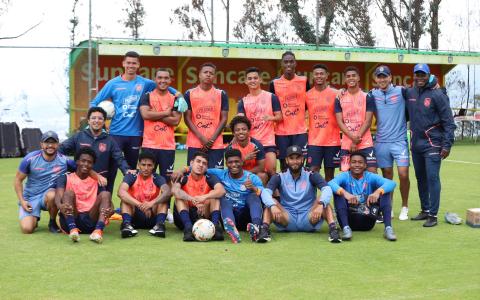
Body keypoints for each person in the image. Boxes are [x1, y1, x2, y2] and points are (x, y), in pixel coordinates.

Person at [89, 51, 186, 191]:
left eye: (134, 63)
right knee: (110, 171)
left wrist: (178, 94)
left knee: (132, 174)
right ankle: (105, 206)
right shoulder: (113, 84)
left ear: (138, 65)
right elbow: (94, 103)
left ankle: (129, 207)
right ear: (123, 64)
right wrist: (101, 125)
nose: (131, 65)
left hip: (135, 135)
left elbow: (163, 84)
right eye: (128, 62)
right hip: (116, 133)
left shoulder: (144, 83)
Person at [172, 148, 276, 243]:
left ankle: (256, 226)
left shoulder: (252, 178)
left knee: (251, 196)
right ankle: (231, 228)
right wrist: (183, 169)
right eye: (230, 162)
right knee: (220, 198)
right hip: (229, 214)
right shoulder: (220, 174)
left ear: (242, 162)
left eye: (237, 161)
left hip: (247, 215)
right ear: (226, 164)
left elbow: (263, 193)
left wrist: (255, 189)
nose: (234, 165)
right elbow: (195, 171)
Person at [404, 63, 456, 227]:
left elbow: (449, 122)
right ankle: (425, 210)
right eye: (417, 74)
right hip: (416, 144)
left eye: (423, 75)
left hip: (433, 143)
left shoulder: (437, 94)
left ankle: (433, 215)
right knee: (421, 178)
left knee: (432, 178)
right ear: (414, 76)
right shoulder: (410, 92)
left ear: (428, 75)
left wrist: (447, 145)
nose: (420, 78)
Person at [263, 145, 341, 243]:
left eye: (297, 158)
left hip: (309, 217)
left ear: (302, 160)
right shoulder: (279, 176)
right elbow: (266, 192)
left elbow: (327, 189)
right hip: (287, 218)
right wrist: (272, 205)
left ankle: (333, 231)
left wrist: (321, 204)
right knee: (270, 203)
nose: (295, 162)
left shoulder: (311, 174)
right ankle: (264, 230)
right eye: (291, 158)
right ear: (286, 160)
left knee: (323, 201)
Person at [59, 107, 133, 193]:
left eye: (100, 118)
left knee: (105, 203)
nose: (96, 121)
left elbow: (119, 157)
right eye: (93, 118)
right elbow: (60, 150)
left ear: (104, 121)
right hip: (80, 181)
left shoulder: (110, 140)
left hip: (100, 182)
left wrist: (126, 170)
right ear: (88, 121)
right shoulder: (79, 136)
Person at [369, 65, 410, 221]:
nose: (382, 79)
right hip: (381, 141)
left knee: (403, 174)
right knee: (386, 176)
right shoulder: (373, 94)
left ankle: (405, 206)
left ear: (390, 77)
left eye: (384, 76)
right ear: (375, 79)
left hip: (399, 141)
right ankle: (389, 206)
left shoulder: (401, 91)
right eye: (379, 77)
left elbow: (418, 96)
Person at [14, 131, 74, 234]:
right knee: (27, 229)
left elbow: (83, 169)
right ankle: (34, 218)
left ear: (58, 144)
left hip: (49, 195)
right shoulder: (30, 159)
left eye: (53, 142)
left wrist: (97, 175)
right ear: (41, 144)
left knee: (52, 194)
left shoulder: (65, 160)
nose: (50, 145)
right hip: (30, 197)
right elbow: (17, 180)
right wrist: (22, 201)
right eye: (47, 142)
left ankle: (52, 222)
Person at [328, 152, 397, 241]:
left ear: (365, 165)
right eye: (354, 162)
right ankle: (346, 229)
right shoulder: (344, 176)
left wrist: (377, 192)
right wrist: (345, 194)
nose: (357, 165)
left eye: (360, 162)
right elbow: (330, 183)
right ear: (349, 164)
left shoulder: (370, 176)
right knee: (339, 194)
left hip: (367, 221)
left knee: (385, 192)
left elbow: (391, 183)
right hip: (349, 220)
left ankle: (388, 228)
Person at [55, 148, 113, 243]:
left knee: (106, 194)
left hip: (91, 219)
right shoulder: (65, 177)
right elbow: (58, 196)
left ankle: (98, 231)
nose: (86, 164)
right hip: (72, 217)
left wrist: (111, 210)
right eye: (83, 161)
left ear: (93, 165)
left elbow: (107, 201)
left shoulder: (97, 181)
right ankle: (73, 231)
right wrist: (60, 206)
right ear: (77, 161)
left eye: (89, 162)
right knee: (68, 193)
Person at [237, 67, 282, 176]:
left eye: (255, 78)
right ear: (246, 81)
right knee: (255, 174)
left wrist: (270, 118)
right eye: (250, 78)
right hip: (252, 143)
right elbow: (240, 122)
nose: (253, 81)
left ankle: (273, 193)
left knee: (271, 171)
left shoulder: (271, 97)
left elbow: (280, 117)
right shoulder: (243, 102)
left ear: (261, 80)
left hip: (268, 142)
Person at [171, 151, 226, 241]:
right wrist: (192, 199)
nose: (201, 165)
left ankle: (215, 227)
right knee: (179, 197)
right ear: (191, 163)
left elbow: (222, 191)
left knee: (215, 194)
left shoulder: (210, 177)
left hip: (204, 213)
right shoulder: (183, 176)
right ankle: (188, 228)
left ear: (207, 167)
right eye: (198, 161)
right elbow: (175, 190)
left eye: (204, 163)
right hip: (185, 214)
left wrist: (204, 198)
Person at [269, 51, 310, 171]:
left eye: (291, 61)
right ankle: (285, 189)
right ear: (281, 64)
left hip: (300, 131)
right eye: (285, 61)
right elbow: (272, 106)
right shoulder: (274, 83)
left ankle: (301, 189)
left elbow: (308, 102)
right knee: (284, 164)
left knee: (301, 163)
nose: (288, 64)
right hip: (281, 131)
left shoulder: (304, 80)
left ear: (295, 63)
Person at [117, 152, 173, 238]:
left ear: (154, 166)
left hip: (152, 215)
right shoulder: (132, 176)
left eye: (149, 165)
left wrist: (151, 203)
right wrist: (140, 205)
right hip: (135, 216)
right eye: (143, 165)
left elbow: (168, 192)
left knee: (164, 199)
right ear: (139, 165)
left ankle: (159, 225)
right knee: (124, 200)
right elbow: (120, 192)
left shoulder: (158, 178)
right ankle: (127, 225)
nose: (146, 168)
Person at [139, 68, 182, 180]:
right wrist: (166, 113)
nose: (163, 80)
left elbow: (176, 121)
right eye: (160, 78)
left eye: (166, 78)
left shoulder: (177, 99)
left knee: (167, 180)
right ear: (155, 79)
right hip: (149, 146)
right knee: (146, 179)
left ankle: (165, 199)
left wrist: (154, 114)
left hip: (167, 147)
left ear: (170, 80)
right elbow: (145, 115)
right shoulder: (146, 96)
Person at [184, 62, 229, 168]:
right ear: (199, 75)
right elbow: (187, 118)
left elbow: (224, 119)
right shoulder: (189, 93)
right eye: (205, 72)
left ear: (214, 77)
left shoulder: (221, 94)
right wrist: (201, 138)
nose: (208, 75)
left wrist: (211, 140)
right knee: (194, 174)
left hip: (216, 143)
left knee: (216, 176)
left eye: (211, 73)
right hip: (195, 142)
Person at [335, 66, 377, 173]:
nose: (351, 78)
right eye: (348, 76)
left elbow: (368, 121)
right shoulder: (339, 97)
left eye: (354, 75)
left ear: (358, 78)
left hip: (365, 142)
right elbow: (340, 122)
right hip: (346, 143)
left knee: (372, 172)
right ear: (345, 79)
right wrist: (352, 139)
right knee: (345, 173)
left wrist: (356, 139)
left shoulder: (368, 96)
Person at [305, 64, 341, 181]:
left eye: (321, 73)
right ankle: (311, 199)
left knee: (329, 175)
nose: (319, 76)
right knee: (312, 172)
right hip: (314, 141)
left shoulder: (336, 93)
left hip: (332, 141)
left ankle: (327, 199)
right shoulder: (307, 95)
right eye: (316, 74)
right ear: (313, 76)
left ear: (327, 76)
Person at [226, 116, 267, 184]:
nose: (241, 132)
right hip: (237, 175)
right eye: (237, 130)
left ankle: (259, 194)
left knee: (262, 175)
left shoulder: (257, 145)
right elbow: (230, 168)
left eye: (244, 129)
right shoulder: (230, 148)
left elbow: (261, 167)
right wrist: (244, 159)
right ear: (233, 133)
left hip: (253, 174)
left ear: (248, 131)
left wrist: (245, 174)